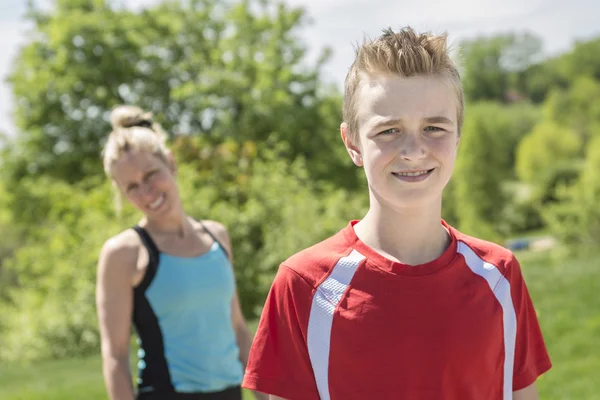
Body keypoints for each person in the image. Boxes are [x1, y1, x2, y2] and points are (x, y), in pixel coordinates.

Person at [241, 27, 552, 400]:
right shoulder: (303, 286)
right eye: (389, 130)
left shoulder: (499, 276)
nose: (413, 150)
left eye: (434, 127)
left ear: (458, 136)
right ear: (352, 143)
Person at [96, 105, 266, 400]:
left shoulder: (217, 236)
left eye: (151, 174)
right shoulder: (124, 254)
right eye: (132, 187)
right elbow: (115, 355)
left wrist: (264, 395)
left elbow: (237, 328)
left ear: (171, 163)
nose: (147, 192)